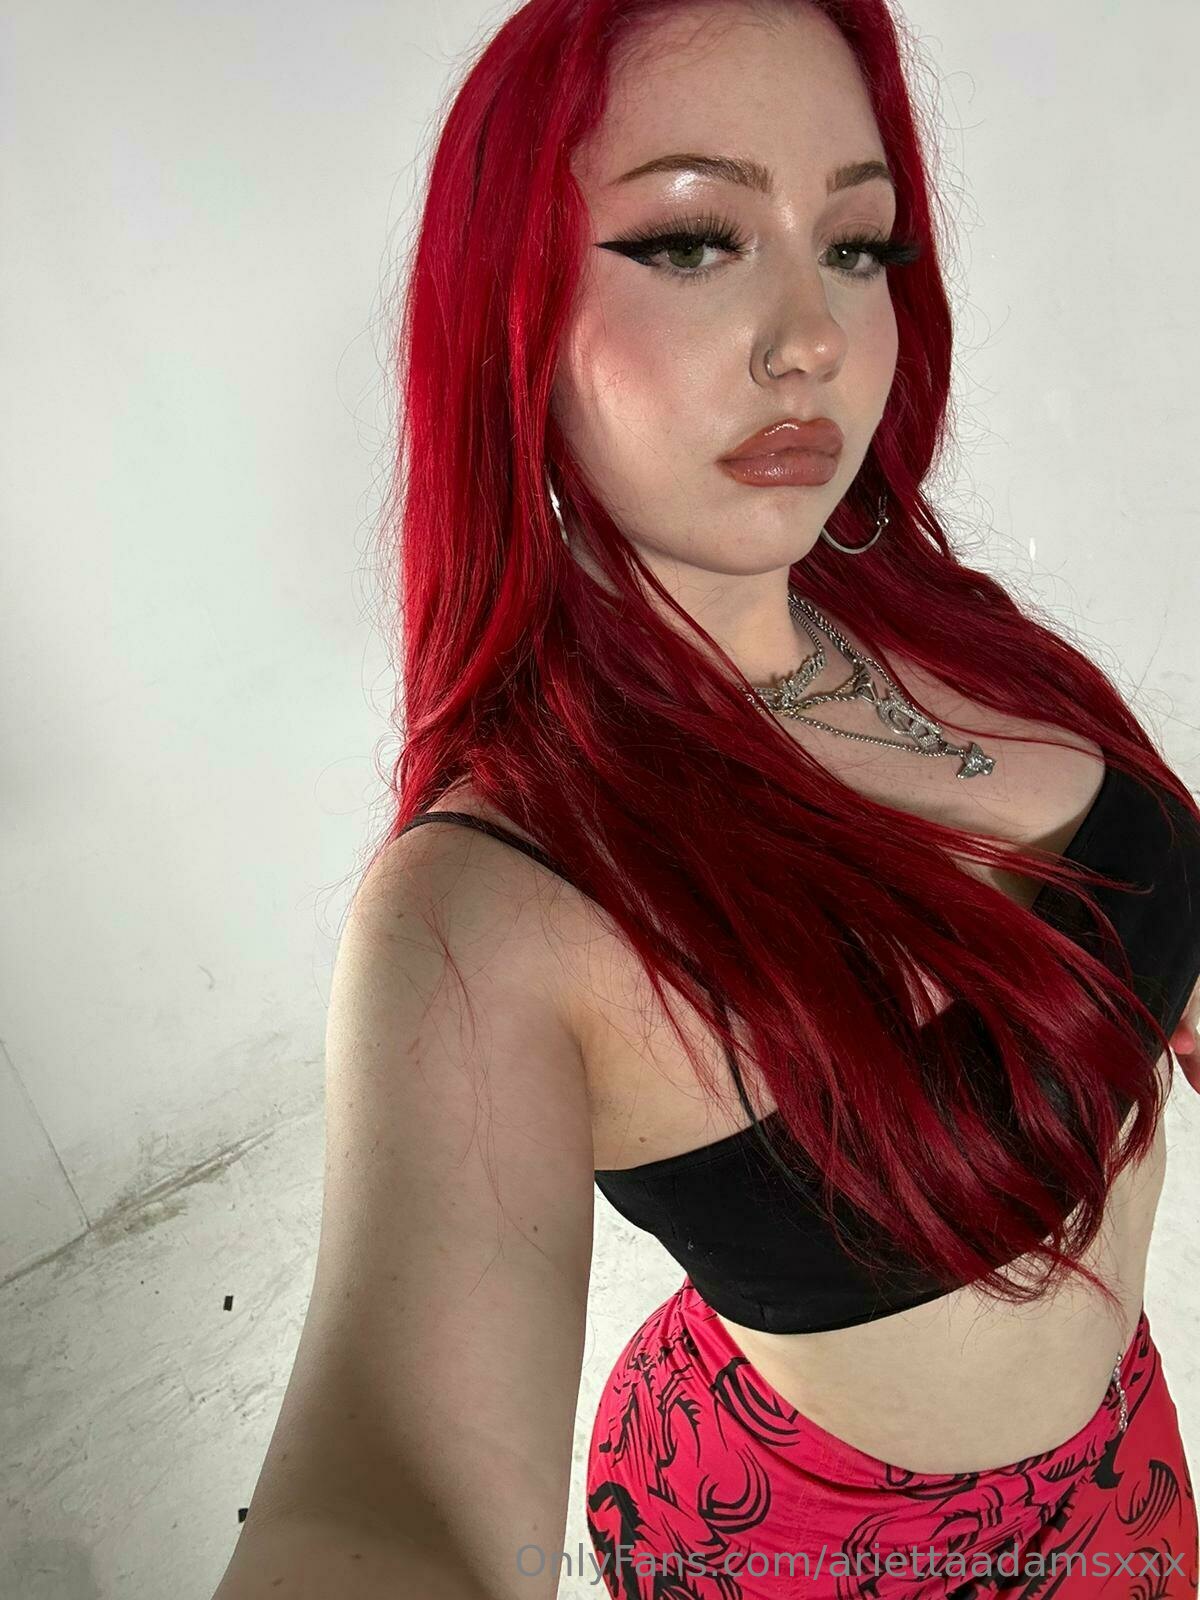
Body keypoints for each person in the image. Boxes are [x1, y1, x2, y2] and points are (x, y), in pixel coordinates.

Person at [210, 1, 1200, 1596]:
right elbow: (397, 1502)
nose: (814, 336)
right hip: (812, 1546)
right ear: (511, 315)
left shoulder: (938, 620)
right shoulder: (489, 908)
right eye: (690, 242)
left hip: (1127, 1461)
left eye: (857, 245)